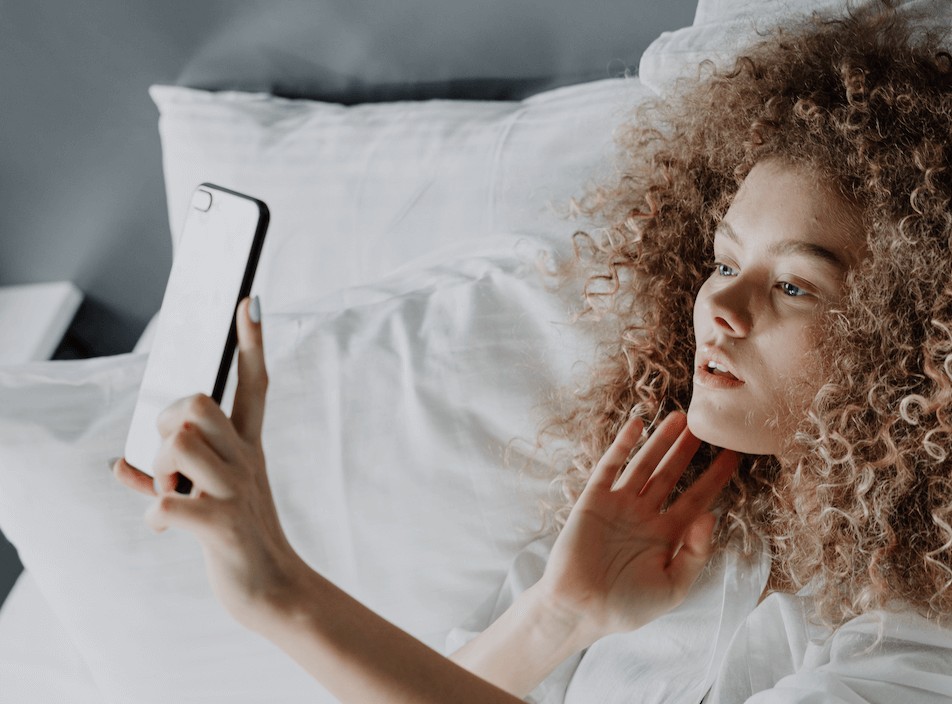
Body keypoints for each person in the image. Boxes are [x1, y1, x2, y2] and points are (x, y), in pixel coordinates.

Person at [112, 0, 952, 701]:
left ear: (918, 345)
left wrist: (279, 593)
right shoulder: (653, 520)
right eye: (725, 260)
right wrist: (559, 610)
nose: (720, 307)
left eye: (794, 286)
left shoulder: (914, 645)